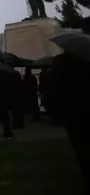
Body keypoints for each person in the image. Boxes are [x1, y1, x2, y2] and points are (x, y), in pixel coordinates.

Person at [48, 53, 90, 193]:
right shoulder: (84, 63)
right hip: (82, 108)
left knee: (80, 145)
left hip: (71, 112)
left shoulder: (60, 65)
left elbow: (54, 92)